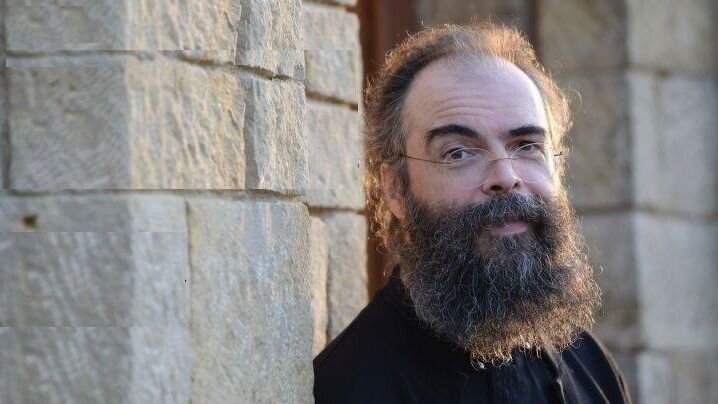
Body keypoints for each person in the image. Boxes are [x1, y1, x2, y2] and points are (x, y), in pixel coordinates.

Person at [314, 23, 633, 404]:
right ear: (396, 188)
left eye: (527, 146)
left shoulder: (591, 365)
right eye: (458, 153)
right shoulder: (350, 388)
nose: (506, 177)